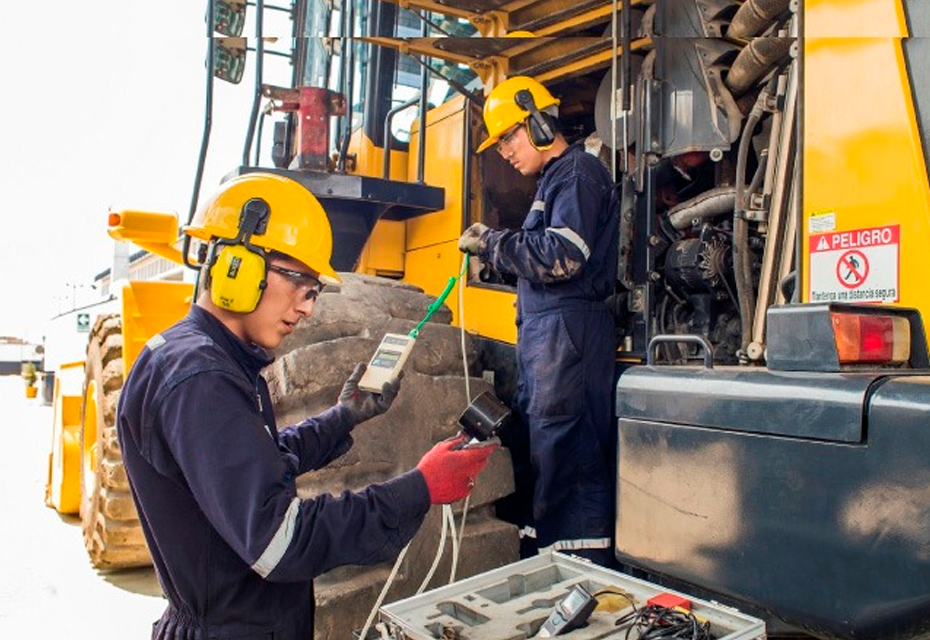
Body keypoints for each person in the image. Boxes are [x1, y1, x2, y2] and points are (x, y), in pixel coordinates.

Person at [117, 172, 496, 640]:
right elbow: (280, 541)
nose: (308, 307)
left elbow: (257, 465)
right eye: (301, 283)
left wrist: (345, 415)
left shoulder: (202, 358)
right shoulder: (203, 379)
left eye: (314, 291)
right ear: (239, 266)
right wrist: (421, 487)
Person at [458, 76, 619, 567]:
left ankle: (578, 574)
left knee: (569, 457)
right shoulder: (553, 183)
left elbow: (564, 256)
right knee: (545, 454)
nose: (504, 151)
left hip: (568, 341)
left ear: (541, 121)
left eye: (509, 136)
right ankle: (542, 559)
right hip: (549, 343)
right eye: (499, 142)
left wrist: (492, 243)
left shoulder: (578, 174)